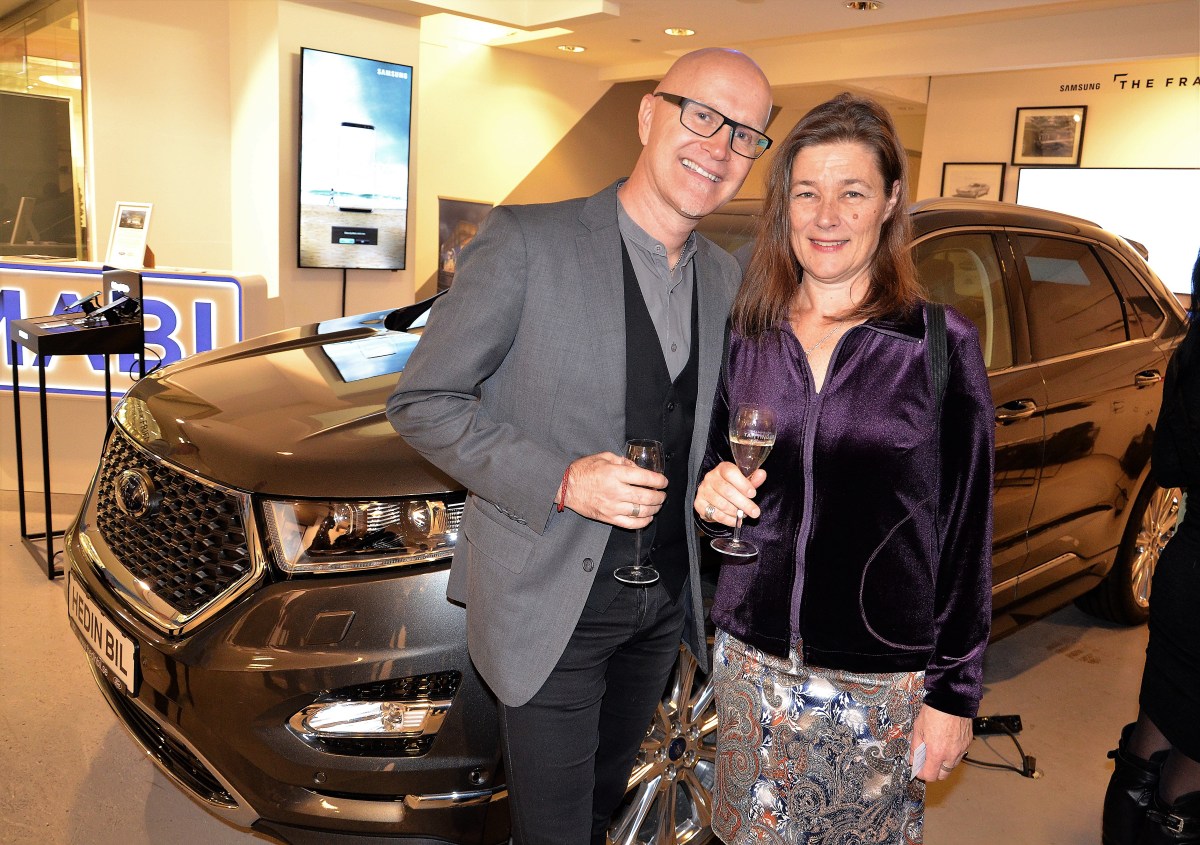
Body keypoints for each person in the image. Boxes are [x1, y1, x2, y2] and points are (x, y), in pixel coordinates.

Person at [386, 48, 773, 844]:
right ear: (649, 114)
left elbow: (698, 425)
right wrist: (561, 478)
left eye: (745, 135)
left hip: (662, 609)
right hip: (546, 597)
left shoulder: (724, 278)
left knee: (599, 811)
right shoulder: (528, 241)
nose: (720, 146)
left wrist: (714, 479)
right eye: (703, 116)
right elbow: (422, 402)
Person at [692, 93, 995, 844]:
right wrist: (710, 490)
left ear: (889, 202)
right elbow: (713, 467)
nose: (826, 216)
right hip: (749, 667)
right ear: (784, 206)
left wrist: (954, 692)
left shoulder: (938, 345)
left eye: (852, 192)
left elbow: (967, 534)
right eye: (807, 193)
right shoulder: (748, 333)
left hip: (876, 683)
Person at [1102, 249, 1200, 845]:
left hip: (1186, 569)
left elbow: (1169, 466)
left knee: (1157, 726)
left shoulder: (1190, 352)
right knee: (1192, 755)